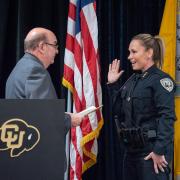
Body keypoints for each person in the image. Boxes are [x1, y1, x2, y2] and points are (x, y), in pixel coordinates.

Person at [107, 34, 176, 180]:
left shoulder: (161, 80)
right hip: (131, 152)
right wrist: (113, 85)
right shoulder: (132, 81)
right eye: (129, 52)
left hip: (151, 153)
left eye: (134, 52)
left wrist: (159, 150)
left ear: (149, 53)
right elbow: (117, 111)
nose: (129, 57)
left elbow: (167, 117)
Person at [5, 27, 83, 132]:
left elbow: (32, 113)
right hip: (35, 145)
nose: (57, 51)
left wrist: (62, 116)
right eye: (55, 45)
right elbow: (46, 118)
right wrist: (69, 120)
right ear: (42, 47)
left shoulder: (20, 68)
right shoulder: (35, 71)